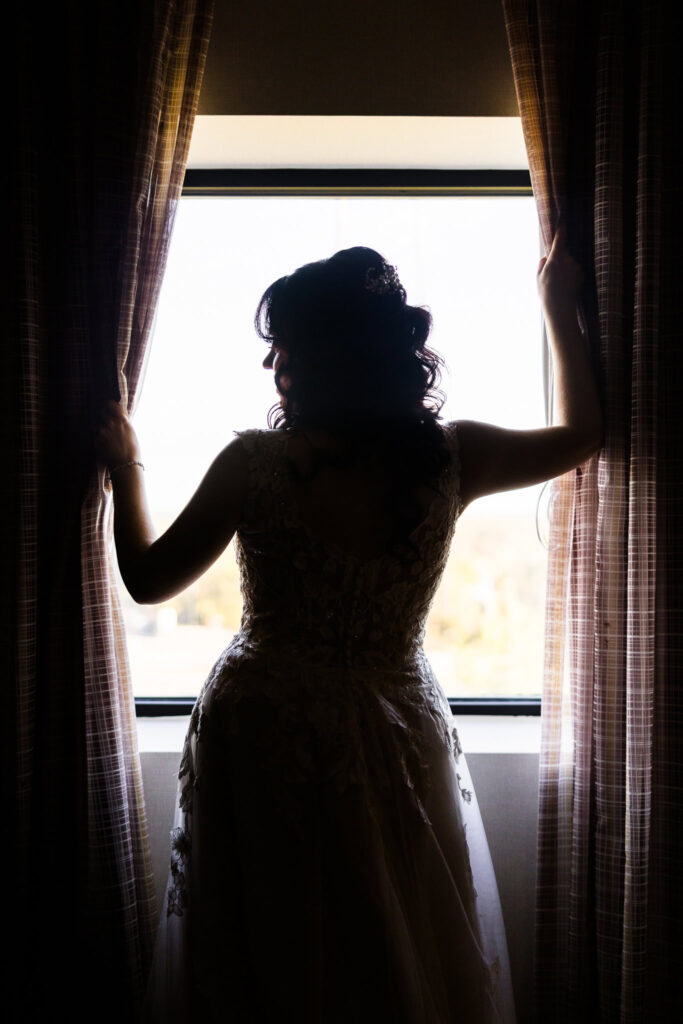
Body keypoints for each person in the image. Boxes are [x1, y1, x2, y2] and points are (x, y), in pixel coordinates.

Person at [96, 229, 602, 1023]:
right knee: (385, 941)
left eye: (284, 346)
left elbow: (149, 578)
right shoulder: (449, 457)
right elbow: (582, 437)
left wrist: (127, 465)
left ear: (320, 355)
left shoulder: (255, 463)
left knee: (266, 949)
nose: (273, 365)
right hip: (389, 723)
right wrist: (558, 310)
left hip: (265, 726)